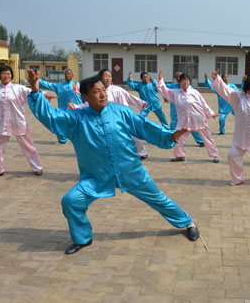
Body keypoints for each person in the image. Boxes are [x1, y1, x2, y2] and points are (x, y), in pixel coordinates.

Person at [26, 69, 199, 255]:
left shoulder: (122, 112)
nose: (102, 94)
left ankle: (187, 222)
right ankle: (82, 238)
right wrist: (36, 92)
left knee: (159, 199)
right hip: (96, 176)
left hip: (131, 171)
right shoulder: (76, 119)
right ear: (84, 96)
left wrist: (169, 136)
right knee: (71, 201)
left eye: (103, 90)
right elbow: (51, 118)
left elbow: (146, 127)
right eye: (96, 91)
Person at [0, 66, 47, 178]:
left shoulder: (19, 88)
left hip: (18, 122)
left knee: (28, 146)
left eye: (9, 74)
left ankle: (37, 168)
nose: (6, 76)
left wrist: (45, 95)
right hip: (0, 124)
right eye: (4, 74)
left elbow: (34, 94)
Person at [71, 69, 150, 160]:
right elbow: (88, 104)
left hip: (122, 116)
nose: (108, 78)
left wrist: (141, 103)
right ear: (100, 78)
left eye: (109, 76)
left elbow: (129, 97)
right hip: (107, 119)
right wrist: (76, 106)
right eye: (105, 76)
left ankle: (141, 152)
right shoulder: (98, 92)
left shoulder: (117, 90)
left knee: (134, 134)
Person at [157, 70, 220, 163]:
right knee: (178, 138)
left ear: (189, 82)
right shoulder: (175, 93)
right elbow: (164, 90)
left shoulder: (195, 92)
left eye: (187, 80)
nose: (185, 82)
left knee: (208, 138)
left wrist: (211, 114)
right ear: (180, 82)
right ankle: (179, 156)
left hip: (199, 119)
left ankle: (215, 155)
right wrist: (160, 79)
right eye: (183, 80)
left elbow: (203, 104)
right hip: (184, 122)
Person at [39, 68, 84, 143]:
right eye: (65, 74)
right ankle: (62, 141)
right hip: (63, 111)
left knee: (79, 128)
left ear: (72, 75)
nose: (67, 75)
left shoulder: (78, 85)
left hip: (76, 111)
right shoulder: (59, 85)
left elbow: (85, 97)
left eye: (69, 73)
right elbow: (47, 84)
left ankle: (79, 141)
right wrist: (37, 80)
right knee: (60, 126)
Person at [167, 71, 204, 146]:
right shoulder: (172, 86)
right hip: (174, 112)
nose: (178, 78)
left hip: (186, 112)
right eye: (177, 77)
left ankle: (200, 141)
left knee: (192, 127)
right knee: (173, 126)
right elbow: (164, 90)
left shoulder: (188, 87)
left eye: (180, 77)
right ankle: (173, 141)